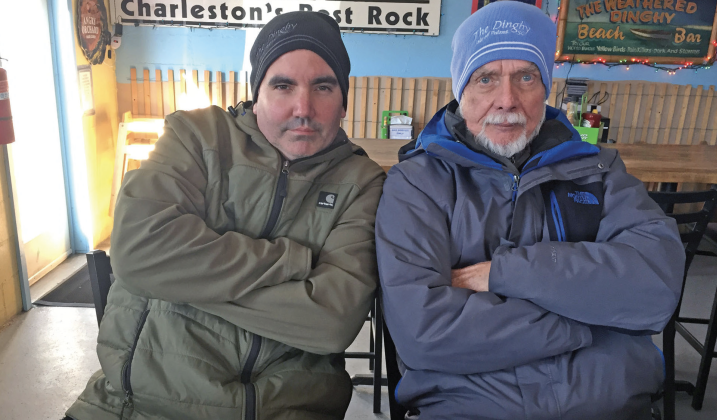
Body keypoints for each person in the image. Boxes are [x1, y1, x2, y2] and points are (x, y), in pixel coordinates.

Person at [64, 12, 384, 420]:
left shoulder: (362, 181)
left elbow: (331, 323)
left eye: (323, 86)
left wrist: (179, 279)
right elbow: (137, 252)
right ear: (256, 92)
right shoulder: (196, 137)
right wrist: (291, 261)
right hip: (133, 405)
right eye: (282, 85)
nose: (303, 108)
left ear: (343, 101)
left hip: (281, 409)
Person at [375, 2, 685, 419]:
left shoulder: (597, 169)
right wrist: (590, 318)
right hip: (472, 408)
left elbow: (656, 287)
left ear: (546, 87)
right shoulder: (417, 182)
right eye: (486, 78)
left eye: (526, 76)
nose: (508, 99)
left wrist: (506, 273)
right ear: (461, 90)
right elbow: (424, 332)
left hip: (606, 405)